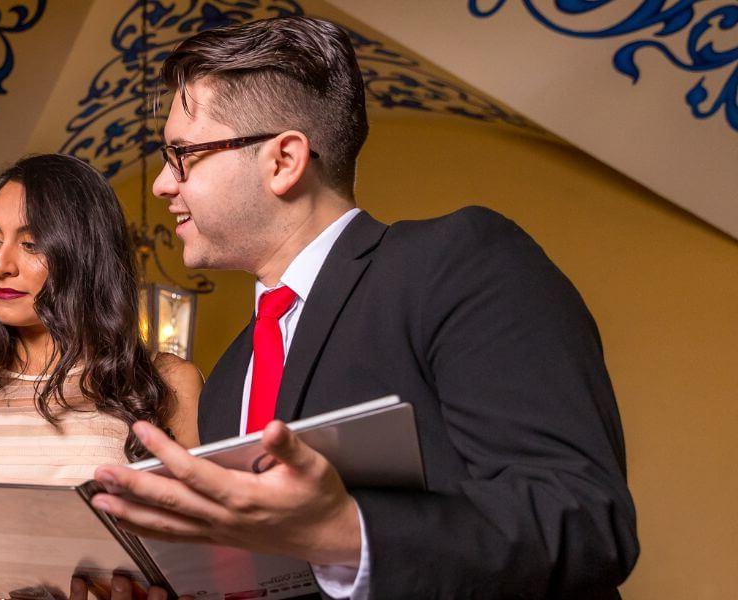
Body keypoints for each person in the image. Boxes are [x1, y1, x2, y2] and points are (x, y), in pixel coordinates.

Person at [86, 15, 638, 599]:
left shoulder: (457, 262)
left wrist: (347, 532)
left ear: (283, 161)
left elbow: (585, 520)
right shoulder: (226, 382)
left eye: (183, 154)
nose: (161, 186)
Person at [0, 154, 205, 600]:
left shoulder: (167, 384)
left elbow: (203, 577)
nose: (2, 265)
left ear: (84, 253)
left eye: (32, 244)